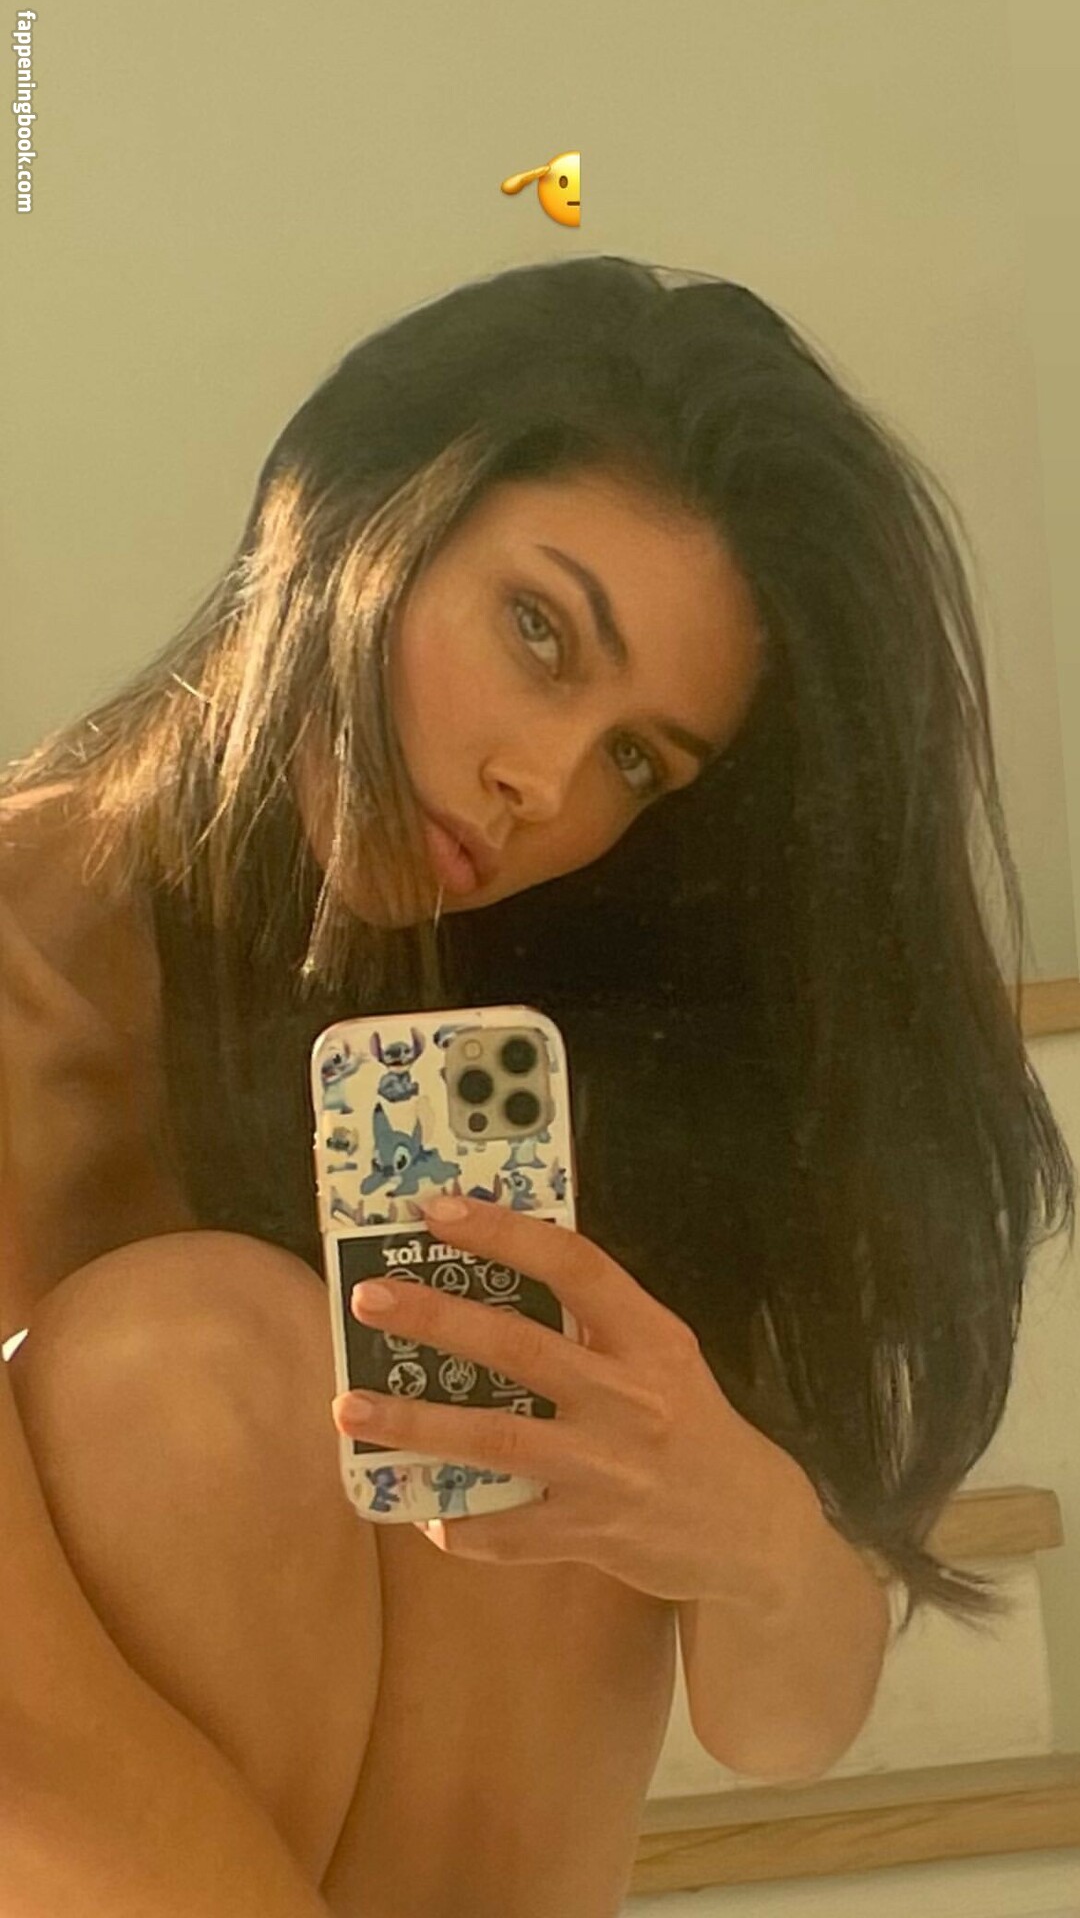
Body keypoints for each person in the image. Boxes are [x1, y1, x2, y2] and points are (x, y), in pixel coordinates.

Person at [1, 255, 1073, 1916]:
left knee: (519, 1431)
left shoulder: (490, 1061)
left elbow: (787, 1720)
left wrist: (741, 1524)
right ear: (345, 502)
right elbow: (33, 1755)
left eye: (639, 759)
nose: (545, 783)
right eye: (538, 632)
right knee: (189, 1357)